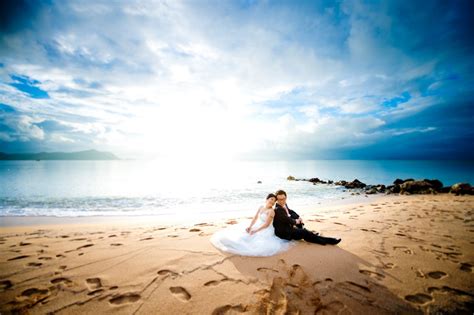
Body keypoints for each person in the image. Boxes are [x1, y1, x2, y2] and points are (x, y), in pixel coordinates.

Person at [210, 193, 294, 256]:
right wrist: (250, 226)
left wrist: (256, 230)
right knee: (244, 233)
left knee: (252, 239)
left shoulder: (271, 211)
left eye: (274, 201)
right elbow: (255, 218)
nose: (272, 202)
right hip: (258, 225)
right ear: (267, 199)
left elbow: (267, 225)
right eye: (271, 199)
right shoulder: (261, 207)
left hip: (266, 229)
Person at [273, 190, 341, 245]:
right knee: (305, 232)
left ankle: (306, 232)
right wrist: (298, 220)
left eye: (283, 199)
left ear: (286, 197)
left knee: (296, 218)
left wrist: (299, 217)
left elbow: (290, 211)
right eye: (280, 199)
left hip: (288, 226)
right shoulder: (278, 209)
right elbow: (290, 220)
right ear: (276, 200)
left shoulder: (284, 204)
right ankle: (329, 241)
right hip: (284, 233)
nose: (282, 201)